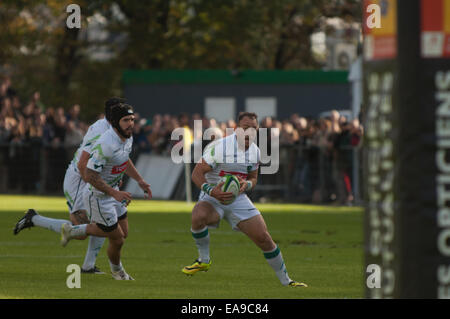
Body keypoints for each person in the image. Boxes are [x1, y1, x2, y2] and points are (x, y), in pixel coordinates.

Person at [182, 112, 307, 287]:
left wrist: (246, 185)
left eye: (253, 129)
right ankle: (204, 260)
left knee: (264, 238)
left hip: (238, 199)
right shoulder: (220, 147)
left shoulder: (255, 151)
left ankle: (287, 282)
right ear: (236, 129)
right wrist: (211, 191)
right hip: (213, 197)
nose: (249, 132)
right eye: (245, 128)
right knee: (198, 216)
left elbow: (253, 178)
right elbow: (196, 173)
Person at [12, 98, 135, 274]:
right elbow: (82, 163)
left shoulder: (117, 129)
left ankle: (88, 266)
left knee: (108, 225)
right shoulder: (100, 130)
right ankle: (34, 219)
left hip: (97, 179)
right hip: (79, 179)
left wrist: (114, 177)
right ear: (111, 115)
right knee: (86, 231)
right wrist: (95, 186)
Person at [60, 103, 151, 281]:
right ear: (115, 122)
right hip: (99, 196)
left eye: (132, 119)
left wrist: (140, 180)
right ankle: (118, 272)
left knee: (124, 232)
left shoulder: (128, 137)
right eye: (126, 120)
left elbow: (124, 159)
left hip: (113, 192)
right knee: (118, 239)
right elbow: (89, 174)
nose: (131, 123)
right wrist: (114, 193)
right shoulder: (106, 144)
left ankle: (72, 231)